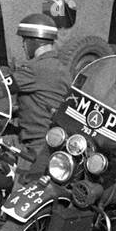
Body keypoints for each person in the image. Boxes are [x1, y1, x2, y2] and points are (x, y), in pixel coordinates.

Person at [12, 13, 75, 178]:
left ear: (33, 41)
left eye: (24, 41)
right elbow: (47, 99)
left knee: (17, 198)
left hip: (34, 146)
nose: (23, 46)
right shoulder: (62, 68)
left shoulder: (33, 69)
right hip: (52, 142)